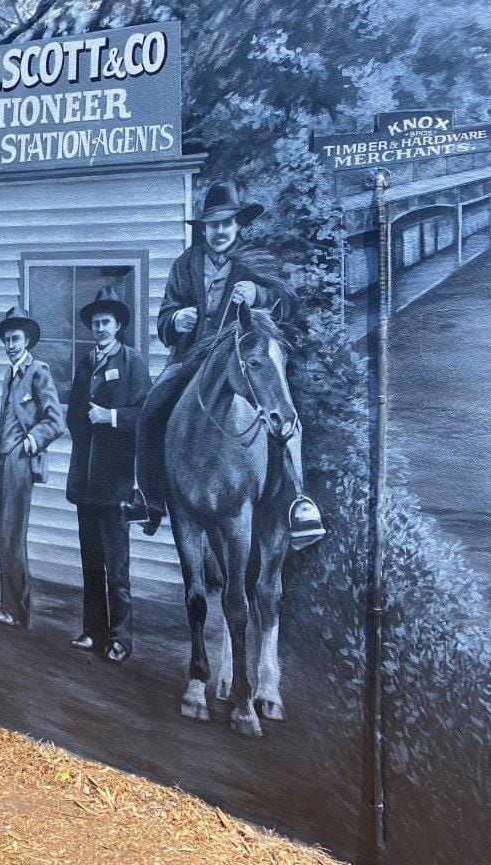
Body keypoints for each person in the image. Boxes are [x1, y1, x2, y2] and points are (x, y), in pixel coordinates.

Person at [132, 181, 326, 547]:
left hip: (243, 358)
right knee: (153, 406)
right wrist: (176, 319)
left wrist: (259, 294)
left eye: (226, 223)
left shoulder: (255, 260)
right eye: (212, 224)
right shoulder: (185, 264)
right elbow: (164, 318)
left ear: (237, 225)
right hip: (192, 361)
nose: (219, 231)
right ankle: (148, 497)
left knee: (284, 414)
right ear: (203, 228)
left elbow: (286, 300)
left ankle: (299, 502)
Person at [65, 286, 152, 663]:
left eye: (106, 322)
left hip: (116, 482)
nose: (100, 328)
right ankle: (92, 630)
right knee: (90, 562)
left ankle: (120, 639)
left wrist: (110, 418)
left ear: (118, 326)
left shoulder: (132, 362)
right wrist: (87, 433)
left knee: (117, 568)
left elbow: (144, 416)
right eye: (96, 323)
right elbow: (73, 415)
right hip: (86, 481)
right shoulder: (85, 364)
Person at [0, 305, 64, 628]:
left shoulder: (38, 371)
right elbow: (4, 425)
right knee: (2, 537)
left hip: (21, 462)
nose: (10, 346)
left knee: (13, 537)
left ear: (28, 340)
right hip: (4, 463)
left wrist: (30, 444)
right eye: (6, 340)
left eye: (15, 339)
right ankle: (10, 605)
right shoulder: (10, 374)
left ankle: (17, 611)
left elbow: (55, 420)